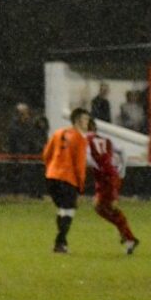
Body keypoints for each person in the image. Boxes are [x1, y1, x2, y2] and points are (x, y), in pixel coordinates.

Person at [79, 109, 138, 254]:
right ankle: (126, 235)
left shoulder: (85, 140)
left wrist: (95, 166)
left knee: (107, 208)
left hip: (105, 177)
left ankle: (129, 238)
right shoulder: (106, 140)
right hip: (111, 175)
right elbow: (122, 150)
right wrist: (122, 170)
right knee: (100, 207)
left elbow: (87, 158)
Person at [43, 108, 89, 254]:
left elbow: (46, 154)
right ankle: (59, 243)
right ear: (77, 121)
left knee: (63, 209)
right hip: (67, 178)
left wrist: (52, 168)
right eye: (85, 119)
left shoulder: (58, 133)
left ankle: (61, 243)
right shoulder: (80, 139)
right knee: (69, 210)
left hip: (51, 177)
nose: (87, 122)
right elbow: (79, 164)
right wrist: (81, 184)